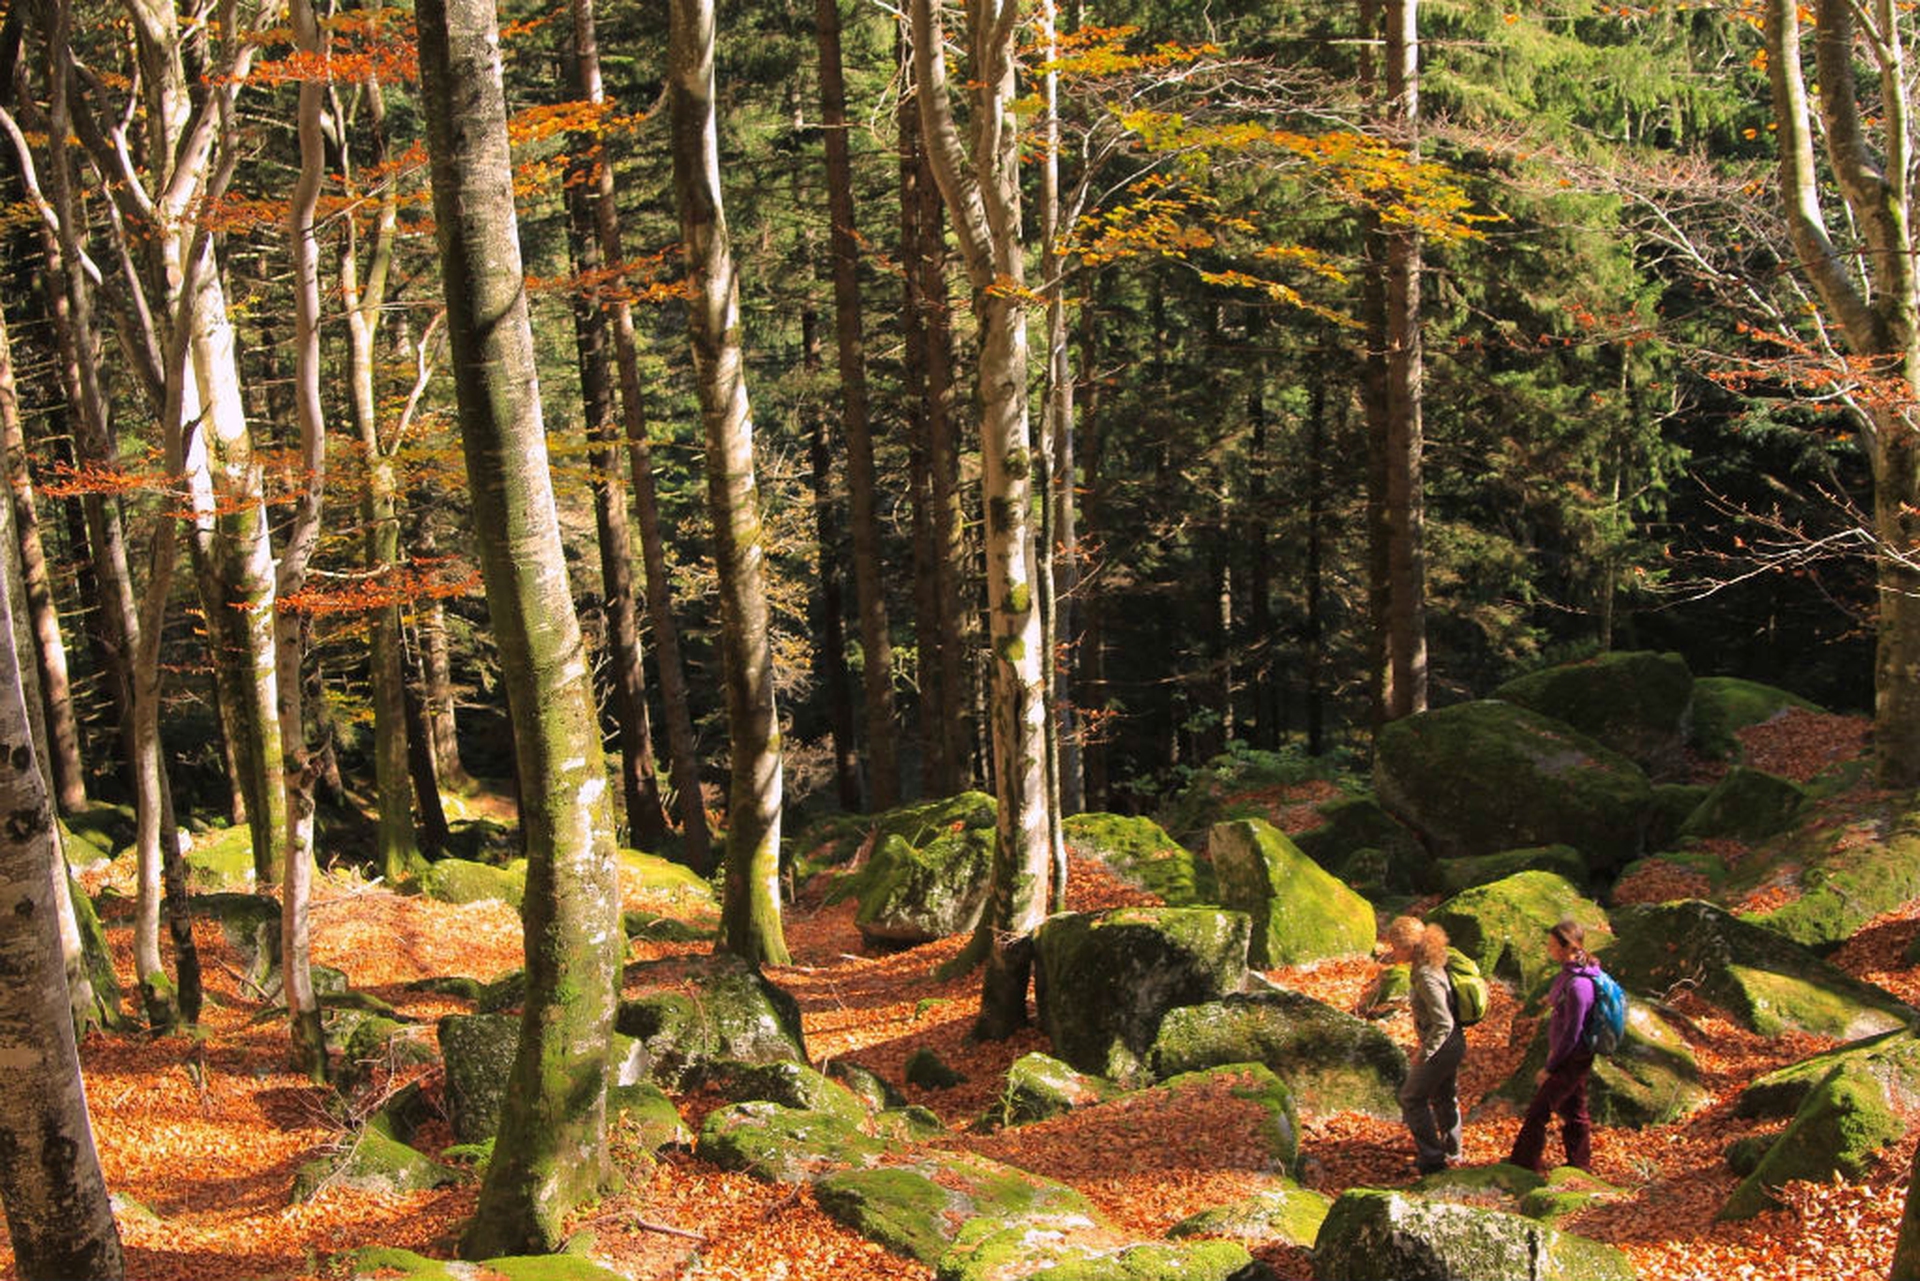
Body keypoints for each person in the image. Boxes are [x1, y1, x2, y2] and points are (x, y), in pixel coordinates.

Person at [1506, 916, 1600, 1174]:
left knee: (1539, 1111)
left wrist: (1551, 1065)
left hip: (1574, 1055)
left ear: (1569, 947)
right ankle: (1579, 1164)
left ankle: (1523, 1165)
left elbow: (1573, 1031)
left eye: (1552, 945)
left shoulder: (1581, 984)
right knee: (1575, 1110)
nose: (1549, 950)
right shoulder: (1567, 975)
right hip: (1566, 1052)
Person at [1385, 914, 1464, 1175]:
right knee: (1444, 1097)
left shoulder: (1426, 975)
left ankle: (1432, 1158)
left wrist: (1425, 1052)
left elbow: (1444, 1022)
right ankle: (1453, 1153)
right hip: (1452, 1044)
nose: (1392, 951)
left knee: (1411, 1097)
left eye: (1395, 946)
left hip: (1443, 1046)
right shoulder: (1428, 964)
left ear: (1408, 946)